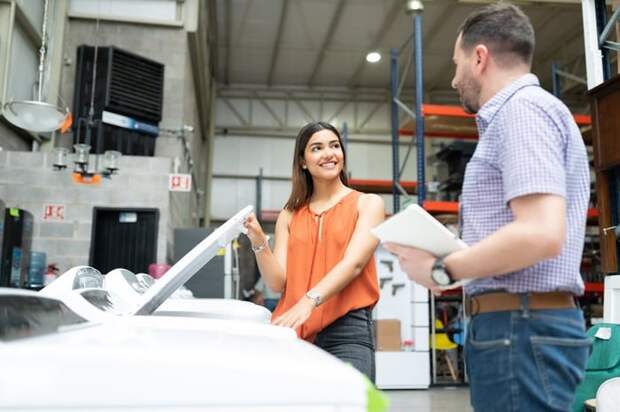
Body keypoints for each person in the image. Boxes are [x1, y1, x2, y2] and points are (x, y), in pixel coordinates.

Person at [385, 3, 591, 411]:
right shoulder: (524, 115)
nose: (454, 77)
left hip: (519, 327)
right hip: (518, 325)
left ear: (479, 58)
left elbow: (540, 234)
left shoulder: (522, 112)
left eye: (457, 63)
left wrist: (445, 270)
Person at [243, 121, 384, 381]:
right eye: (317, 148)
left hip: (346, 331)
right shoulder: (290, 215)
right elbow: (277, 282)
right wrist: (260, 242)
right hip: (293, 330)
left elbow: (353, 264)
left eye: (334, 146)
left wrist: (309, 301)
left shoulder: (368, 204)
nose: (329, 153)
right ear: (303, 162)